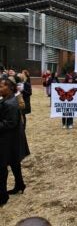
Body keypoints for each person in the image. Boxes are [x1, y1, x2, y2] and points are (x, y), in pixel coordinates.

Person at [0, 78, 30, 206]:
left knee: (1, 168)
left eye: (1, 86)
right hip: (12, 138)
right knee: (14, 162)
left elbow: (9, 123)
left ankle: (2, 197)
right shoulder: (7, 99)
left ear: (10, 88)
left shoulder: (10, 103)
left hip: (8, 139)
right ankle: (20, 185)